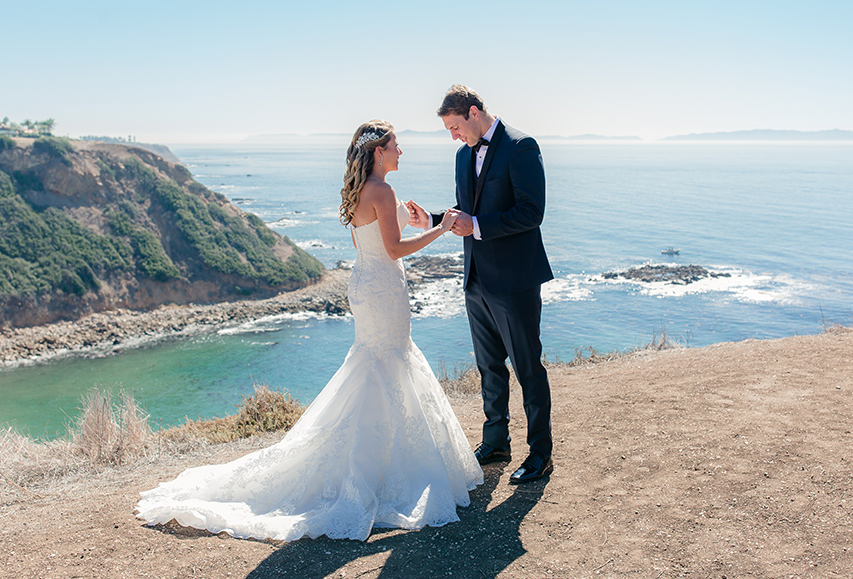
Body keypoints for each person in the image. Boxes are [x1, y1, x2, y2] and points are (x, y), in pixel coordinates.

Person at [136, 120, 482, 542]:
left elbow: (369, 243)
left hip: (366, 284)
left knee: (375, 364)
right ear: (378, 152)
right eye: (395, 145)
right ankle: (388, 470)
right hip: (385, 288)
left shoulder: (361, 191)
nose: (400, 152)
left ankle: (377, 462)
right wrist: (441, 228)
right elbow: (392, 251)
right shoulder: (383, 191)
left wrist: (410, 221)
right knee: (391, 363)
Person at [407, 85, 554, 484]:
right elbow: (467, 214)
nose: (454, 137)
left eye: (456, 127)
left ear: (474, 113)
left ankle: (540, 453)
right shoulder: (461, 156)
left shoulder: (522, 146)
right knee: (489, 368)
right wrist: (434, 220)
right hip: (475, 279)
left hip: (515, 280)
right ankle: (496, 442)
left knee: (527, 368)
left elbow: (531, 212)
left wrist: (477, 226)